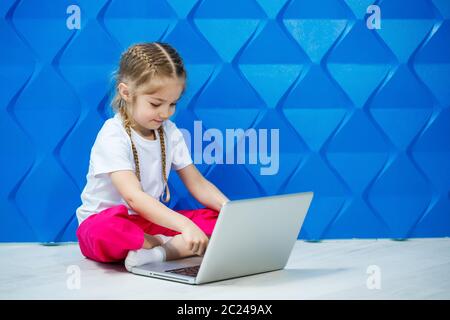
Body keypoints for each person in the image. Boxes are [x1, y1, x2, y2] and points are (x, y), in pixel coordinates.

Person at [75, 42, 229, 271]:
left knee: (218, 222)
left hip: (148, 221)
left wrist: (230, 212)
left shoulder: (169, 131)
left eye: (173, 104)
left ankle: (157, 252)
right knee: (104, 230)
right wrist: (184, 226)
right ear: (126, 92)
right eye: (156, 103)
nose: (165, 113)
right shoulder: (113, 134)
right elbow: (133, 198)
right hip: (109, 222)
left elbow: (197, 183)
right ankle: (164, 243)